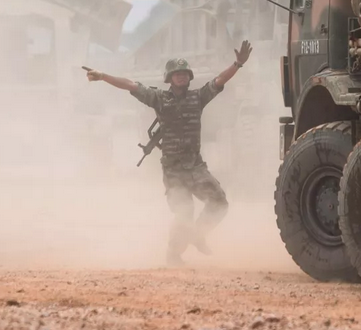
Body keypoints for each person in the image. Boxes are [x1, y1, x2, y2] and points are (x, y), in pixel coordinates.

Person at [86, 40, 253, 266]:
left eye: (184, 73)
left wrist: (238, 64)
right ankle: (174, 254)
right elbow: (130, 85)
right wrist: (103, 76)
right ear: (169, 78)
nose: (181, 77)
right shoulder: (159, 98)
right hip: (173, 170)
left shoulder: (198, 97)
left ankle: (198, 234)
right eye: (177, 74)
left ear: (189, 77)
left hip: (196, 167)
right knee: (184, 212)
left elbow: (219, 80)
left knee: (219, 203)